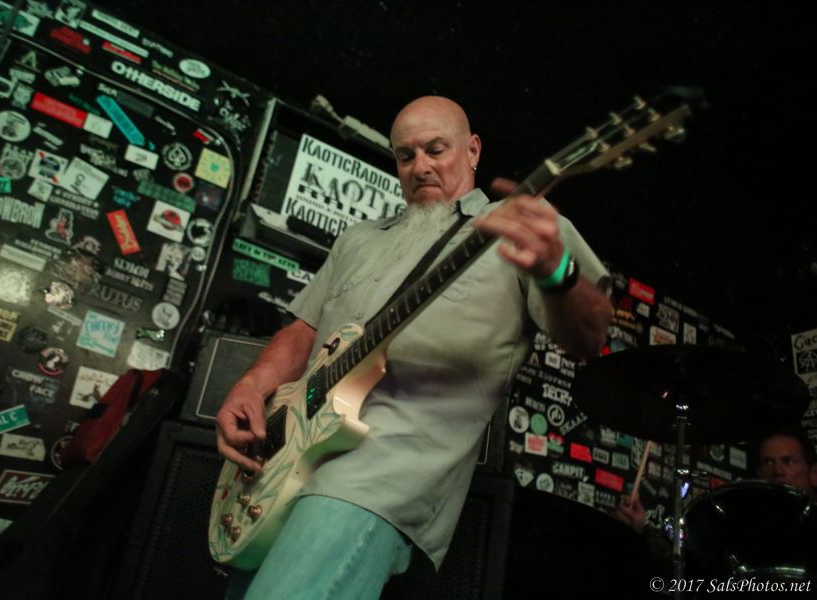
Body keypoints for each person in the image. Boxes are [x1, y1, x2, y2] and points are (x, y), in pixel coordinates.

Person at [215, 96, 613, 599]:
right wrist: (251, 386)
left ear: (472, 150)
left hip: (379, 479)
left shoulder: (518, 227)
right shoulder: (358, 239)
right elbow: (302, 329)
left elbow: (591, 336)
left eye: (435, 150)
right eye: (406, 156)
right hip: (282, 465)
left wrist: (558, 272)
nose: (420, 166)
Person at [614, 426, 817, 533]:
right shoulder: (747, 530)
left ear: (816, 474)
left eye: (789, 461)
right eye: (768, 462)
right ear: (759, 475)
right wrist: (638, 529)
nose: (777, 470)